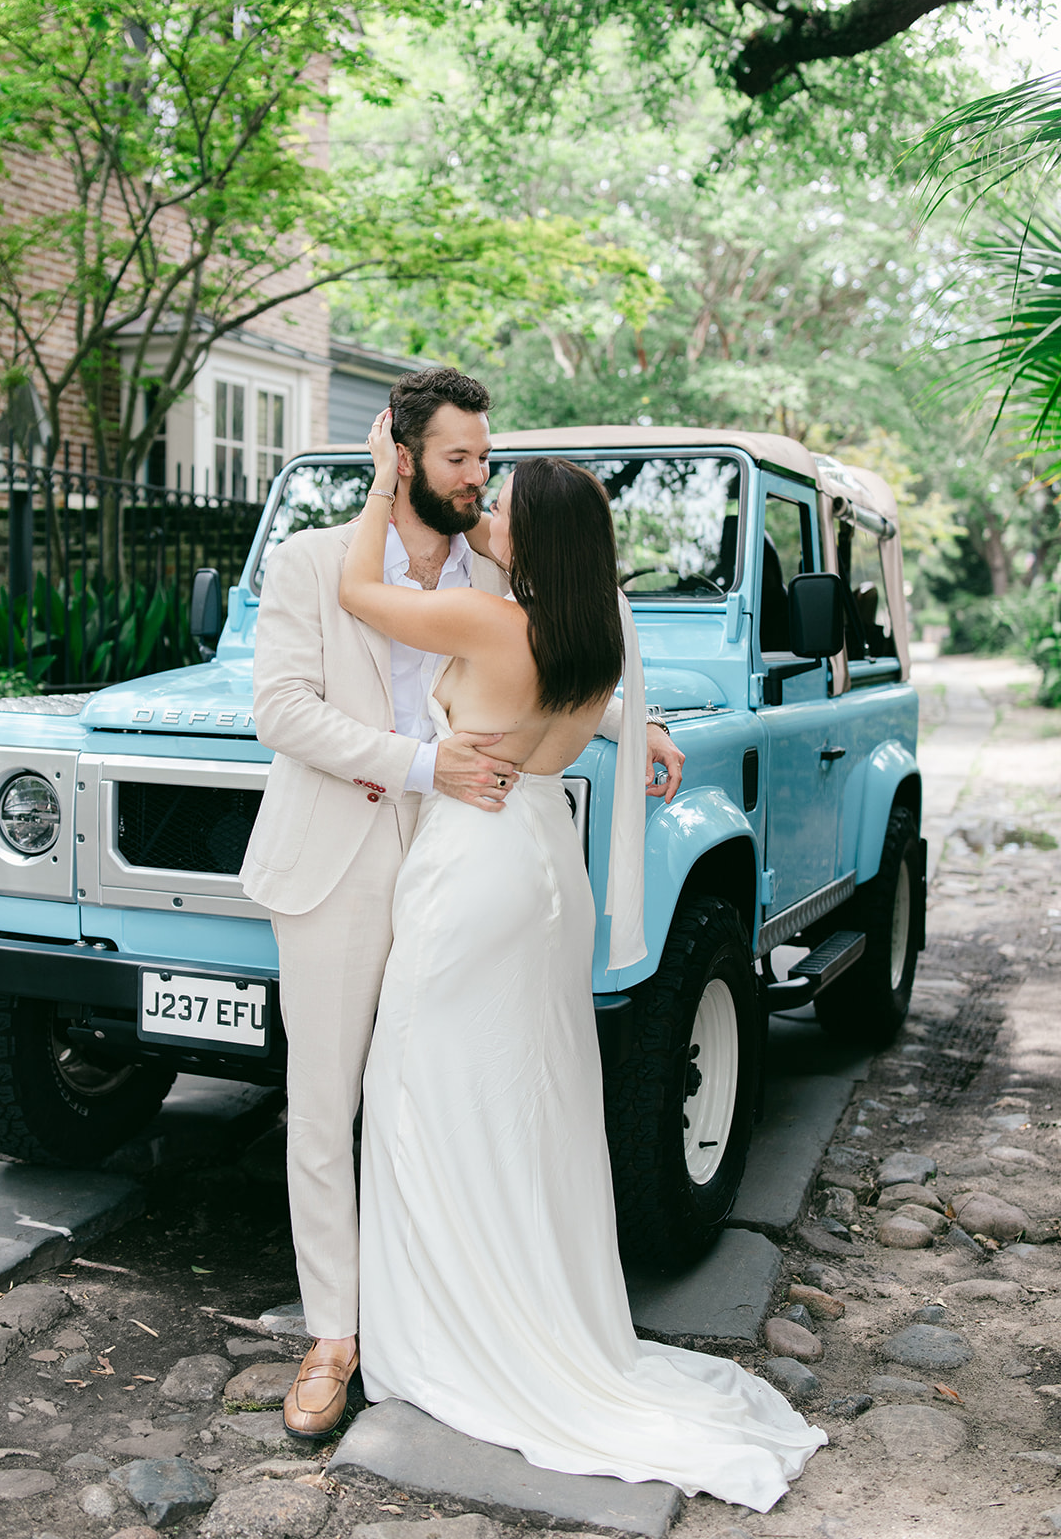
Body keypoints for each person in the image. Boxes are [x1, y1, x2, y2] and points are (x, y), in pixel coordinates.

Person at [338, 415, 826, 1514]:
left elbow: (361, 593)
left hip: (473, 865)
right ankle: (524, 1302)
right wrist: (637, 732)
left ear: (536, 535)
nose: (487, 506)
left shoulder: (489, 618)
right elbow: (586, 709)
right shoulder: (589, 634)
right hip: (543, 864)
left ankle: (455, 1328)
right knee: (525, 1093)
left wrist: (382, 483)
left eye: (503, 502)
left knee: (428, 1083)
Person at [241, 368, 685, 1441]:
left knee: (455, 1093)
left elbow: (550, 652)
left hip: (463, 865)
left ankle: (447, 1317)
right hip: (350, 855)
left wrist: (637, 725)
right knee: (327, 1104)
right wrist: (420, 765)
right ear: (401, 457)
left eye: (487, 459)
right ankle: (335, 1336)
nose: (479, 477)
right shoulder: (311, 563)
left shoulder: (492, 575)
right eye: (459, 458)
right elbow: (281, 711)